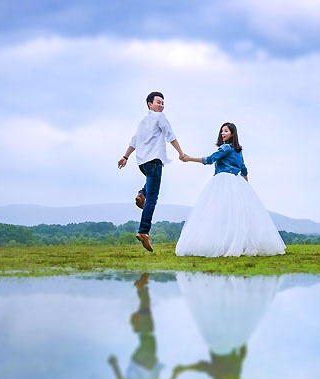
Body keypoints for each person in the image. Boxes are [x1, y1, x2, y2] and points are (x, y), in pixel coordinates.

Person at [176, 122, 285, 257]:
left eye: (226, 131)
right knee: (235, 214)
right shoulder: (238, 151)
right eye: (222, 131)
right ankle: (235, 242)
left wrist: (190, 158)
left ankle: (220, 242)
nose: (222, 133)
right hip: (236, 181)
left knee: (216, 212)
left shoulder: (226, 148)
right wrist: (245, 186)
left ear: (232, 133)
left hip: (222, 180)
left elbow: (210, 159)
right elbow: (244, 169)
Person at [118, 91, 185, 252]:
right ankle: (143, 231)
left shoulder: (142, 122)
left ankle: (142, 193)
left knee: (149, 186)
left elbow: (134, 141)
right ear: (150, 104)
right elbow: (170, 135)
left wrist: (125, 157)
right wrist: (181, 153)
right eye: (158, 102)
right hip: (154, 161)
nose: (161, 105)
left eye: (163, 103)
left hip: (142, 163)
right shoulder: (160, 117)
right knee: (152, 199)